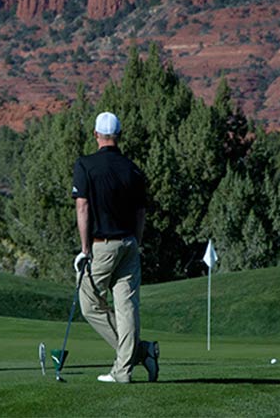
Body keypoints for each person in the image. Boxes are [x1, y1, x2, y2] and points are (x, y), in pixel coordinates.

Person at [71, 111, 159, 383]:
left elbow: (82, 207)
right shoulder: (133, 169)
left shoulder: (85, 165)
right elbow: (141, 213)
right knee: (127, 308)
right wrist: (136, 243)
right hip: (130, 243)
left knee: (88, 304)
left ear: (96, 134)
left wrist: (85, 250)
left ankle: (140, 352)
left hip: (102, 245)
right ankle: (124, 370)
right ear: (119, 136)